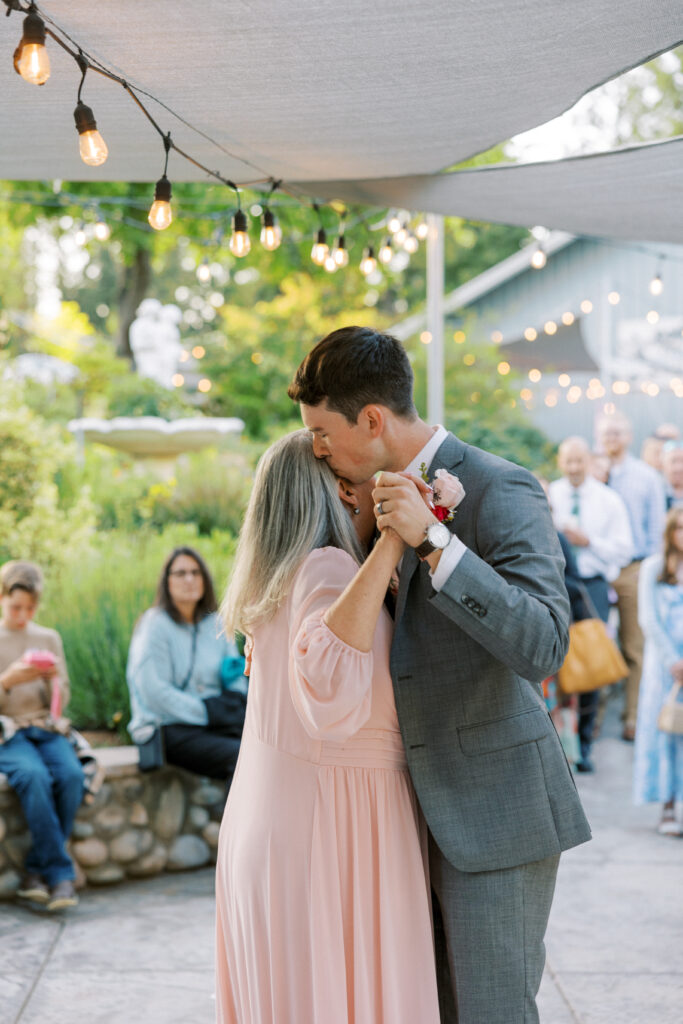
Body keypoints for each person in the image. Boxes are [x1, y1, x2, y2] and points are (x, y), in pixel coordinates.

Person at [288, 326, 591, 1024]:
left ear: (370, 419)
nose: (316, 447)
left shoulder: (498, 486)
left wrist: (434, 541)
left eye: (321, 430)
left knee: (489, 1012)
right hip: (392, 823)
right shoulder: (351, 500)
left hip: (492, 812)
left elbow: (544, 645)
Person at [216, 430, 440, 1024]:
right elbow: (329, 688)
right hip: (336, 827)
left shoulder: (278, 577)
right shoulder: (327, 565)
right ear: (342, 489)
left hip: (274, 822)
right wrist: (393, 542)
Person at [0, 561, 84, 911]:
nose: (23, 615)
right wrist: (8, 680)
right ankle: (62, 876)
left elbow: (61, 698)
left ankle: (35, 871)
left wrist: (51, 682)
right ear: (2, 597)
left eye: (30, 608)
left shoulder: (48, 638)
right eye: (16, 606)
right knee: (33, 776)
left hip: (44, 727)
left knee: (72, 775)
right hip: (8, 732)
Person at [549, 436, 633, 771]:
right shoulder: (551, 493)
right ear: (560, 462)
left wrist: (589, 541)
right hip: (557, 584)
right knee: (559, 662)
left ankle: (585, 744)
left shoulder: (608, 500)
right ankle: (561, 745)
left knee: (592, 662)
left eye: (579, 461)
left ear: (588, 460)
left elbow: (624, 549)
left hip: (592, 587)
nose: (573, 468)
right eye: (567, 461)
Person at [127, 547, 246, 781]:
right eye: (180, 573)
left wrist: (225, 707)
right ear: (167, 582)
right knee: (240, 757)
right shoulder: (154, 625)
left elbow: (237, 678)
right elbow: (154, 694)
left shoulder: (217, 624)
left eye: (195, 572)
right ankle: (234, 820)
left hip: (215, 724)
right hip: (169, 729)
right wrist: (207, 711)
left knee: (269, 751)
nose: (189, 579)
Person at [597, 413, 667, 741]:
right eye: (606, 433)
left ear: (628, 436)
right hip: (596, 568)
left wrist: (650, 571)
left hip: (633, 569)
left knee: (634, 647)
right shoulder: (592, 472)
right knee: (592, 641)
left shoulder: (646, 477)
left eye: (616, 432)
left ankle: (633, 718)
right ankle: (591, 723)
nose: (611, 437)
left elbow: (656, 529)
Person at [633, 508, 683, 834]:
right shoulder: (653, 567)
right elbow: (647, 619)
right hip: (665, 668)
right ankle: (667, 806)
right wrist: (672, 660)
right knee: (666, 732)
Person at [662, 441, 683, 510]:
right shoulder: (657, 491)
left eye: (682, 461)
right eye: (673, 461)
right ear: (663, 464)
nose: (679, 467)